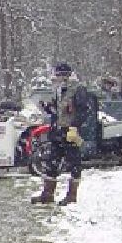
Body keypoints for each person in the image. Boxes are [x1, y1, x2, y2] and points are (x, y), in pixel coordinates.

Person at [31, 62, 90, 206]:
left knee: (74, 163)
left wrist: (74, 126)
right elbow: (57, 111)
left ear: (66, 76)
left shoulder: (78, 90)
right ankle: (47, 194)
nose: (56, 78)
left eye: (58, 75)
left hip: (70, 132)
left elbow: (83, 110)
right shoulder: (58, 90)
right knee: (52, 162)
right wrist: (47, 107)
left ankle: (72, 195)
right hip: (57, 131)